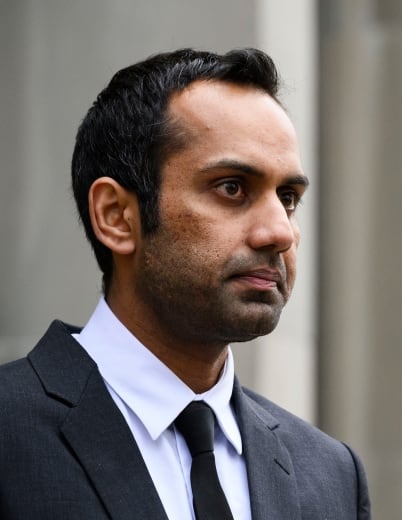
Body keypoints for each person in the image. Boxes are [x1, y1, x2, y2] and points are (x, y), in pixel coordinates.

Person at [0, 48, 370, 519]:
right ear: (116, 217)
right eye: (232, 187)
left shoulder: (332, 473)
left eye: (288, 197)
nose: (280, 232)